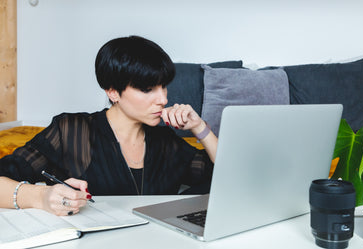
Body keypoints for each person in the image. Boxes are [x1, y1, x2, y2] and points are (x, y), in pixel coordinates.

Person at [0, 36, 218, 216]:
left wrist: (199, 127)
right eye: (148, 89)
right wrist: (41, 197)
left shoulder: (165, 141)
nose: (162, 99)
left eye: (164, 87)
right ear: (113, 92)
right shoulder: (71, 130)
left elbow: (228, 175)